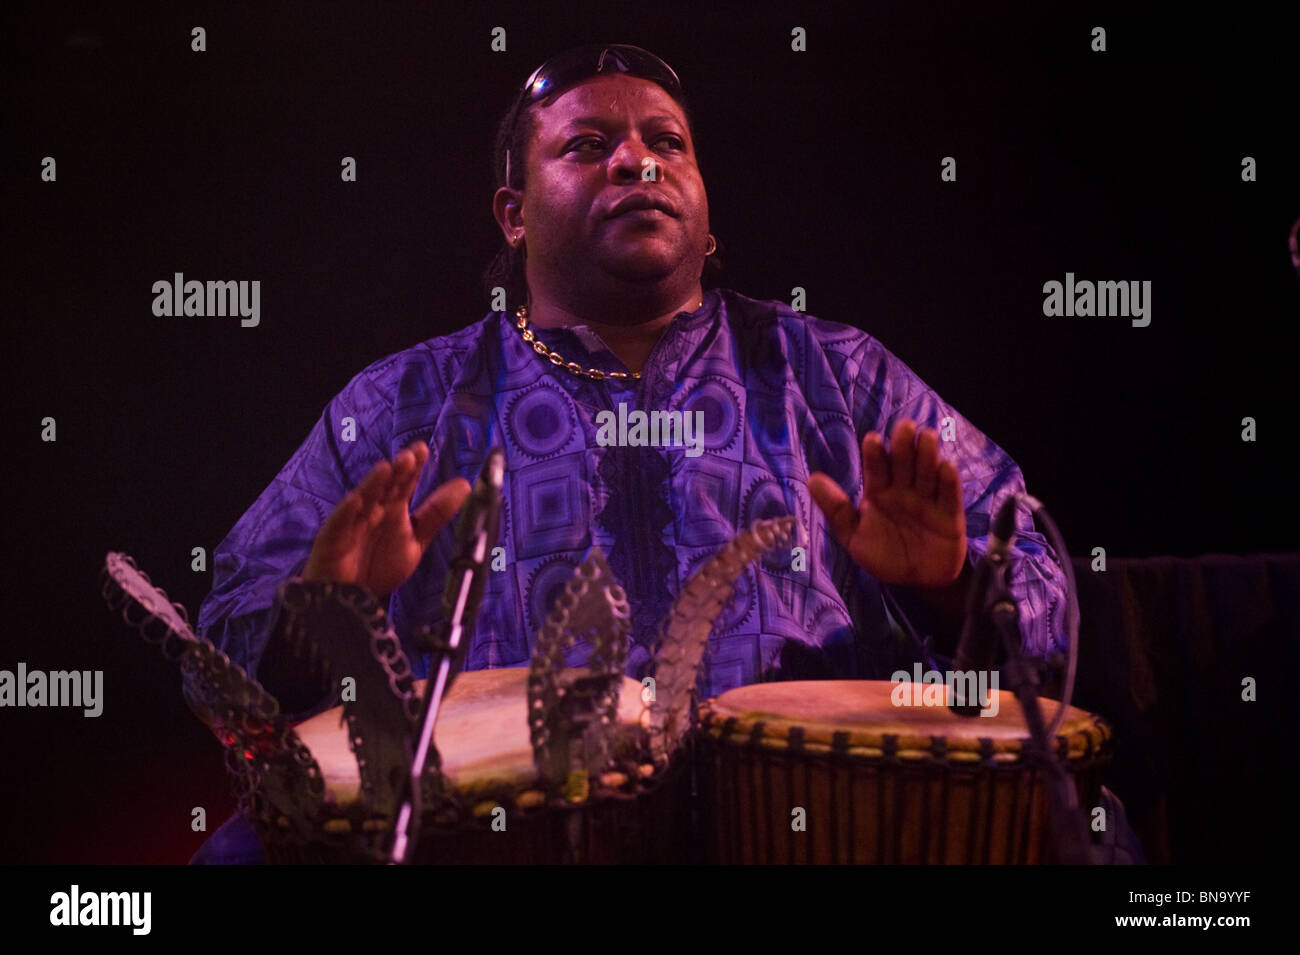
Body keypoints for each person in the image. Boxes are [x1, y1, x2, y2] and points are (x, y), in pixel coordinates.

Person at [189, 44, 1070, 864]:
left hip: (806, 828)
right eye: (588, 144)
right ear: (515, 216)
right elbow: (226, 644)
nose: (638, 162)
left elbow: (1046, 602)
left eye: (667, 143)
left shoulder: (834, 372)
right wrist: (326, 616)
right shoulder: (401, 403)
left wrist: (952, 585)